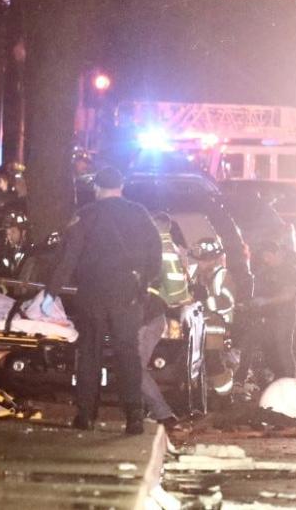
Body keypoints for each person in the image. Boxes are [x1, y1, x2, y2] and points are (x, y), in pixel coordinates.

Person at [48, 166, 162, 435]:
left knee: (89, 352)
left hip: (92, 292)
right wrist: (144, 282)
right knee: (127, 353)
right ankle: (134, 417)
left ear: (97, 188)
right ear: (121, 187)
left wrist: (50, 292)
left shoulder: (86, 215)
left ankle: (86, 415)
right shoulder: (140, 214)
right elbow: (155, 253)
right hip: (127, 293)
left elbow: (68, 258)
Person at [139, 212, 192, 431]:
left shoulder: (156, 249)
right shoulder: (171, 249)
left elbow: (173, 288)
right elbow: (177, 291)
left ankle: (163, 413)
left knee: (133, 368)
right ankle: (149, 412)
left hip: (148, 316)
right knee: (134, 368)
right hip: (155, 313)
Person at [240, 241, 296, 382]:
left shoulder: (290, 270)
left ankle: (289, 381)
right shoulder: (266, 270)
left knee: (283, 348)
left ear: (278, 253)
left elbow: (288, 295)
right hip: (267, 316)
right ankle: (271, 378)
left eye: (268, 256)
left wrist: (265, 301)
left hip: (284, 316)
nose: (265, 259)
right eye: (264, 257)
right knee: (258, 345)